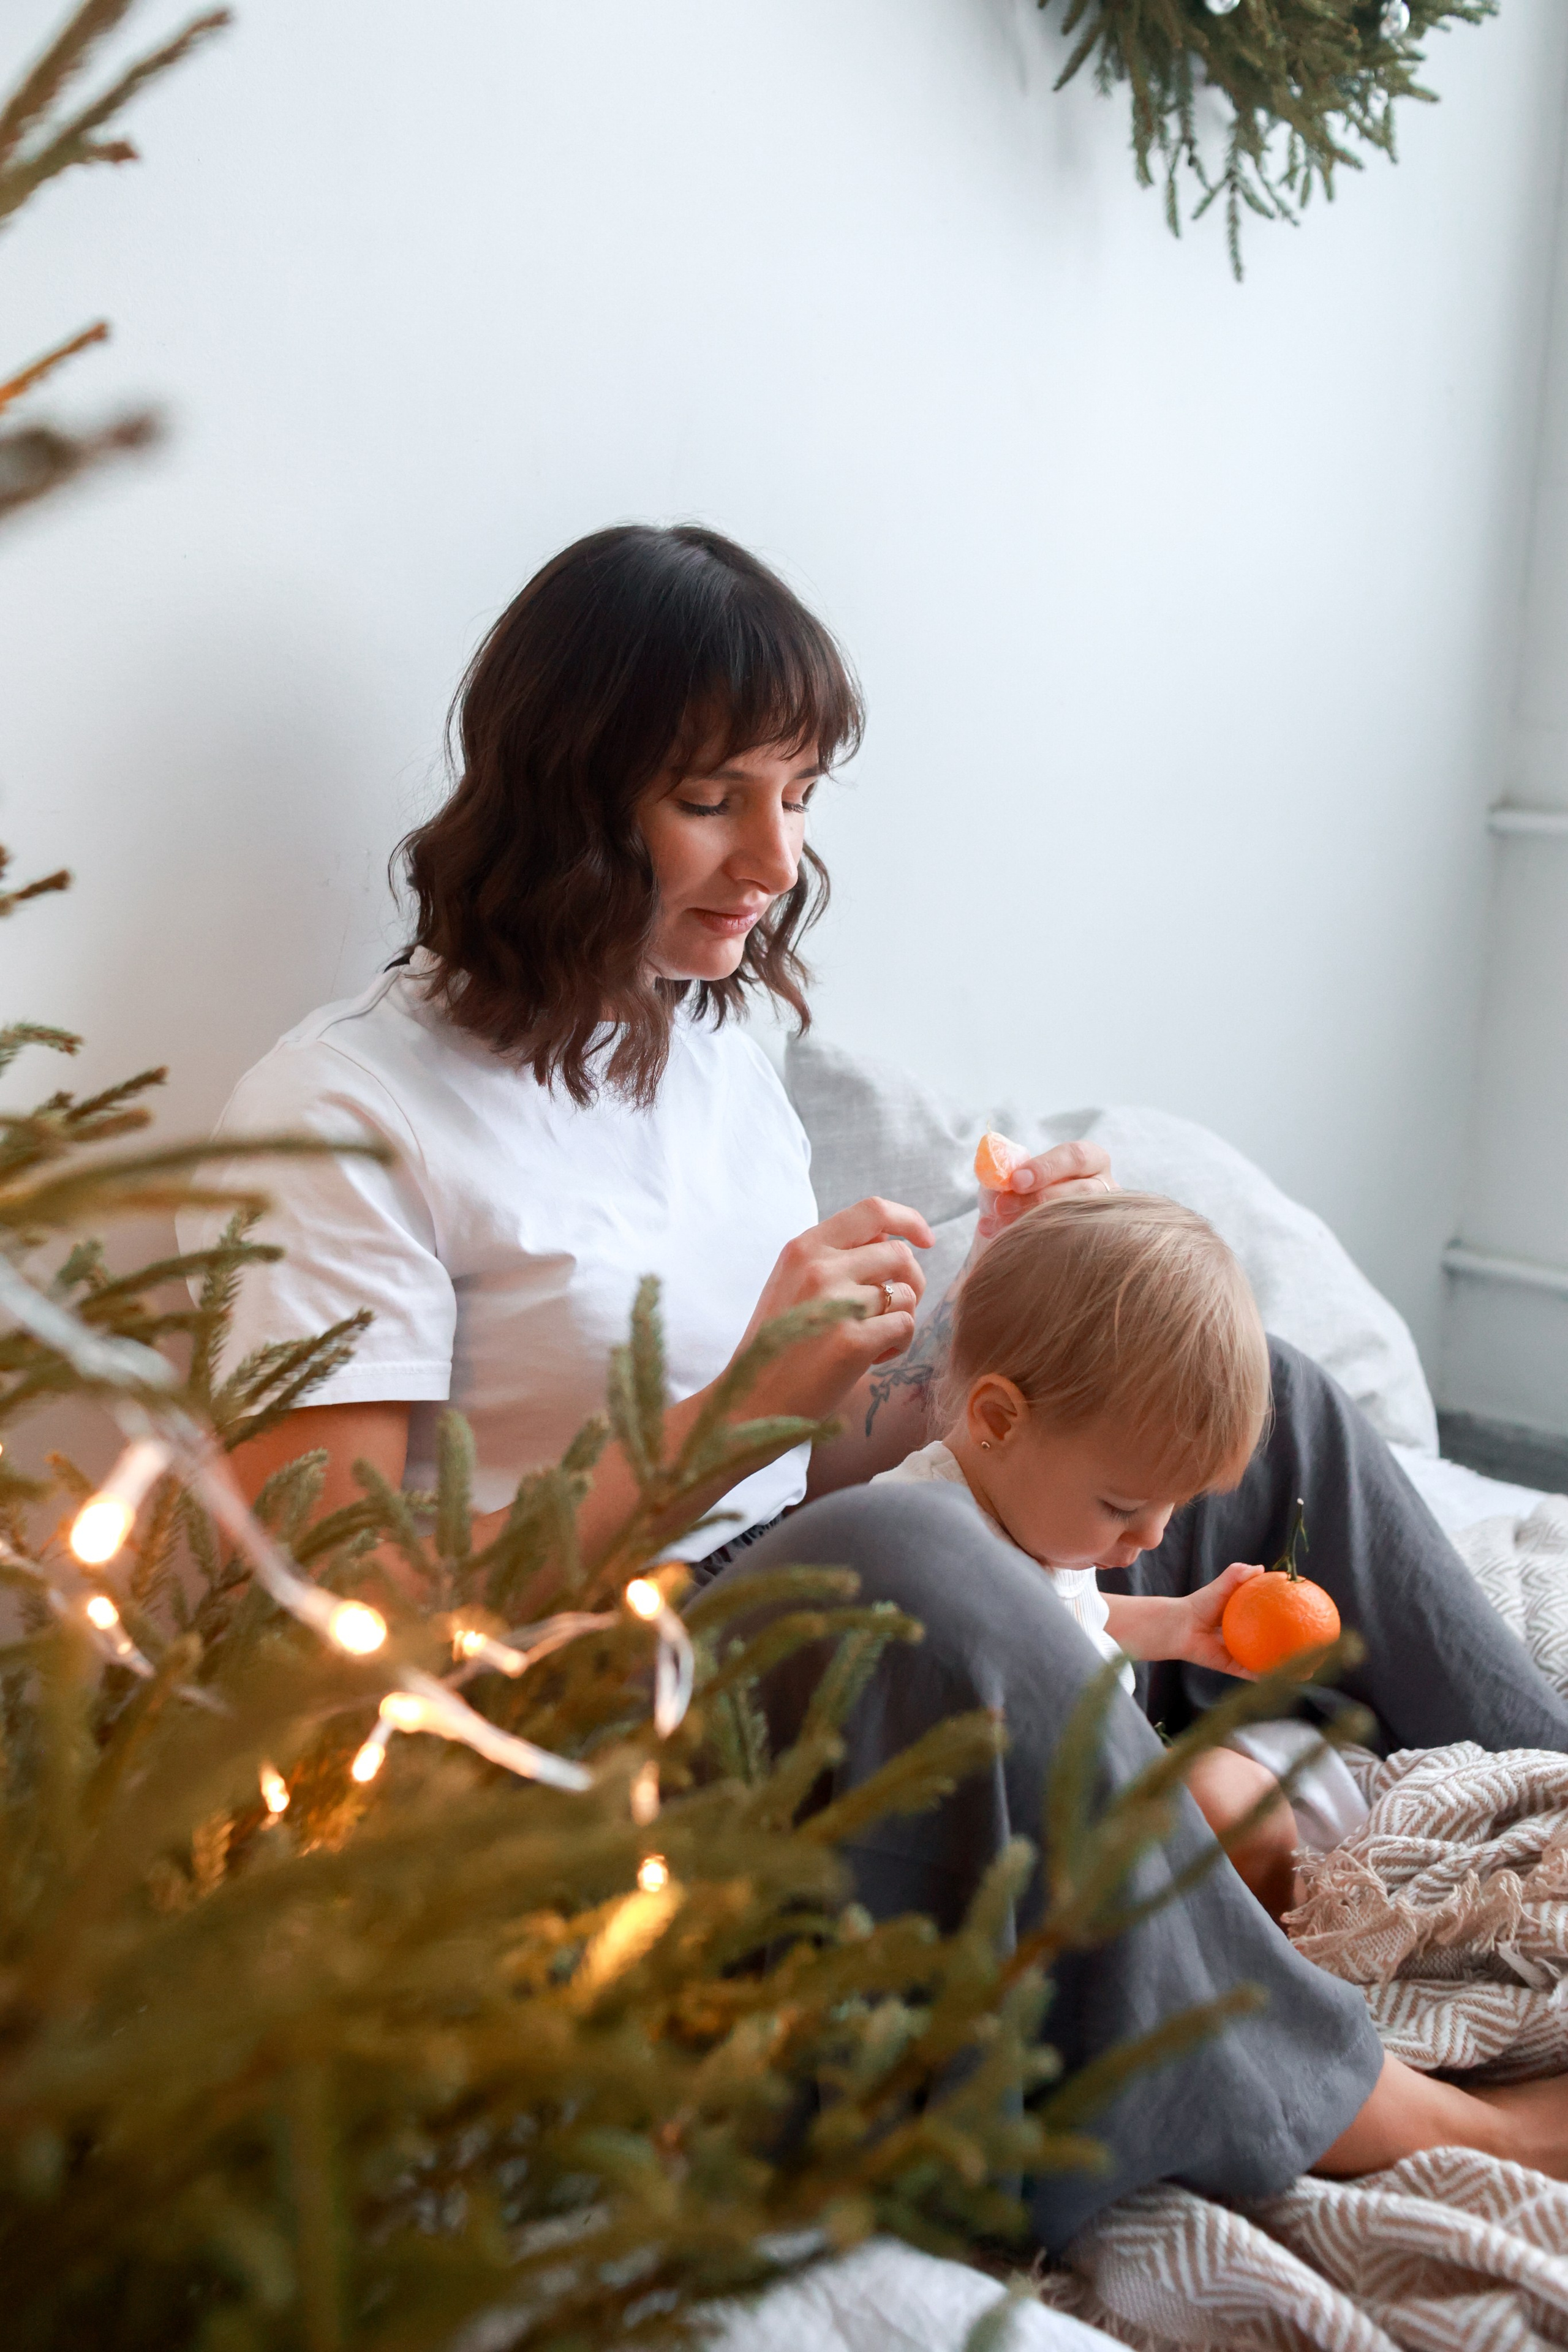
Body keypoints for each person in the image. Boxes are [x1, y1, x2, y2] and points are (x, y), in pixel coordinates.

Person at [190, 521, 1568, 2254]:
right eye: (713, 798)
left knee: (1244, 1390)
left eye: (802, 795)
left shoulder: (710, 1050)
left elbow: (824, 1482)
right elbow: (348, 1626)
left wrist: (985, 1369)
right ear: (556, 794)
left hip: (819, 1601)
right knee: (920, 1572)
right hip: (580, 1731)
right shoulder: (341, 1115)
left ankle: (1551, 1802)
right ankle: (1421, 2117)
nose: (772, 858)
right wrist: (741, 1415)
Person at [873, 1186, 1348, 1920]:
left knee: (1251, 1797)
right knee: (1231, 1800)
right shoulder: (915, 1539)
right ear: (999, 1419)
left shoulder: (1028, 1507)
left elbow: (1070, 1616)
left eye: (1173, 1508)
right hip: (998, 1850)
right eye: (1124, 1508)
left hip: (1090, 1787)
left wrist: (1176, 1625)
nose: (1153, 1538)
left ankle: (1259, 1965)